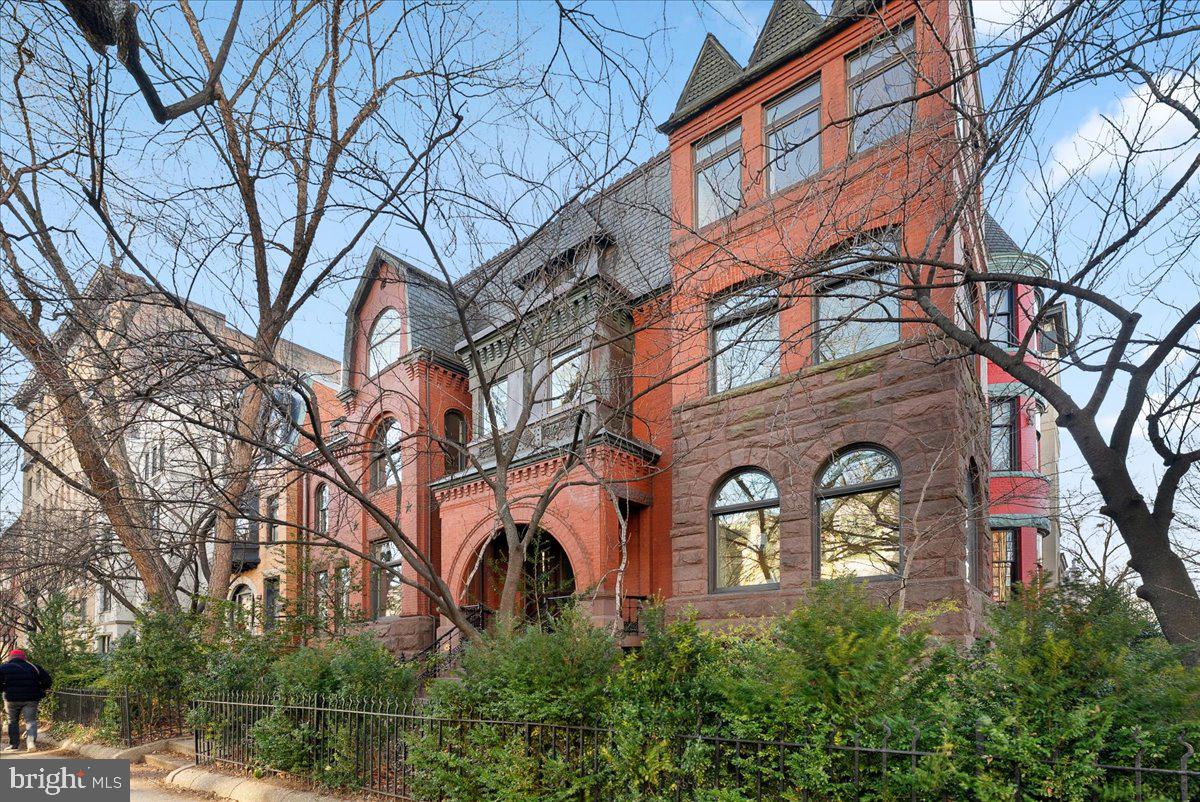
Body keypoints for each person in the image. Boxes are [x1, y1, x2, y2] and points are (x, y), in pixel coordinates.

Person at [0, 649, 53, 752]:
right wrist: (39, 689)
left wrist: (4, 689)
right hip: (31, 699)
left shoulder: (3, 668)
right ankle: (31, 743)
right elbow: (48, 681)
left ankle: (14, 745)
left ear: (10, 658)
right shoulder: (34, 667)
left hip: (11, 699)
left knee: (12, 722)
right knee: (30, 721)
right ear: (24, 658)